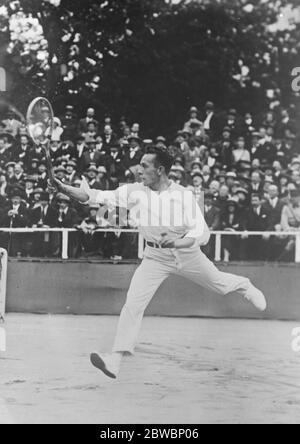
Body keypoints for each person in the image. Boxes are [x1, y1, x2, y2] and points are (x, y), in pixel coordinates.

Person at [51, 145, 267, 379]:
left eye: (144, 166)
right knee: (133, 305)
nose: (139, 170)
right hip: (154, 258)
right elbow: (94, 195)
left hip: (188, 254)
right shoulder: (134, 191)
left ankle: (245, 285)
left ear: (160, 170)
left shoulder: (184, 196)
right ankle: (116, 358)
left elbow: (202, 232)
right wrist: (64, 187)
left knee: (221, 284)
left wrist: (178, 243)